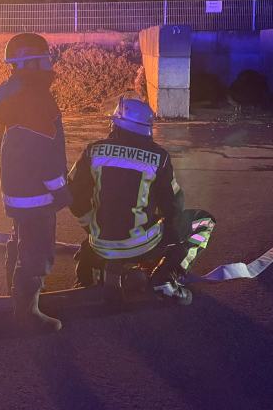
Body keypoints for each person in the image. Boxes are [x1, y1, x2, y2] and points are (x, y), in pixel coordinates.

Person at [67, 93, 216, 311]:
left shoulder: (93, 151)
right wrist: (170, 240)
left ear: (117, 123)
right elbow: (174, 206)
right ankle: (167, 277)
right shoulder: (159, 157)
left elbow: (73, 193)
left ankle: (101, 272)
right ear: (147, 129)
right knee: (204, 221)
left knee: (107, 233)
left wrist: (91, 226)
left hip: (99, 243)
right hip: (142, 244)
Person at [0, 33, 72, 333]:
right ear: (31, 62)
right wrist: (61, 191)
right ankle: (28, 313)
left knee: (21, 238)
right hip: (37, 191)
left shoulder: (10, 91)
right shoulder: (34, 99)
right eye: (45, 58)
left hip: (17, 187)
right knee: (37, 250)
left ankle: (16, 291)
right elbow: (45, 155)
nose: (49, 63)